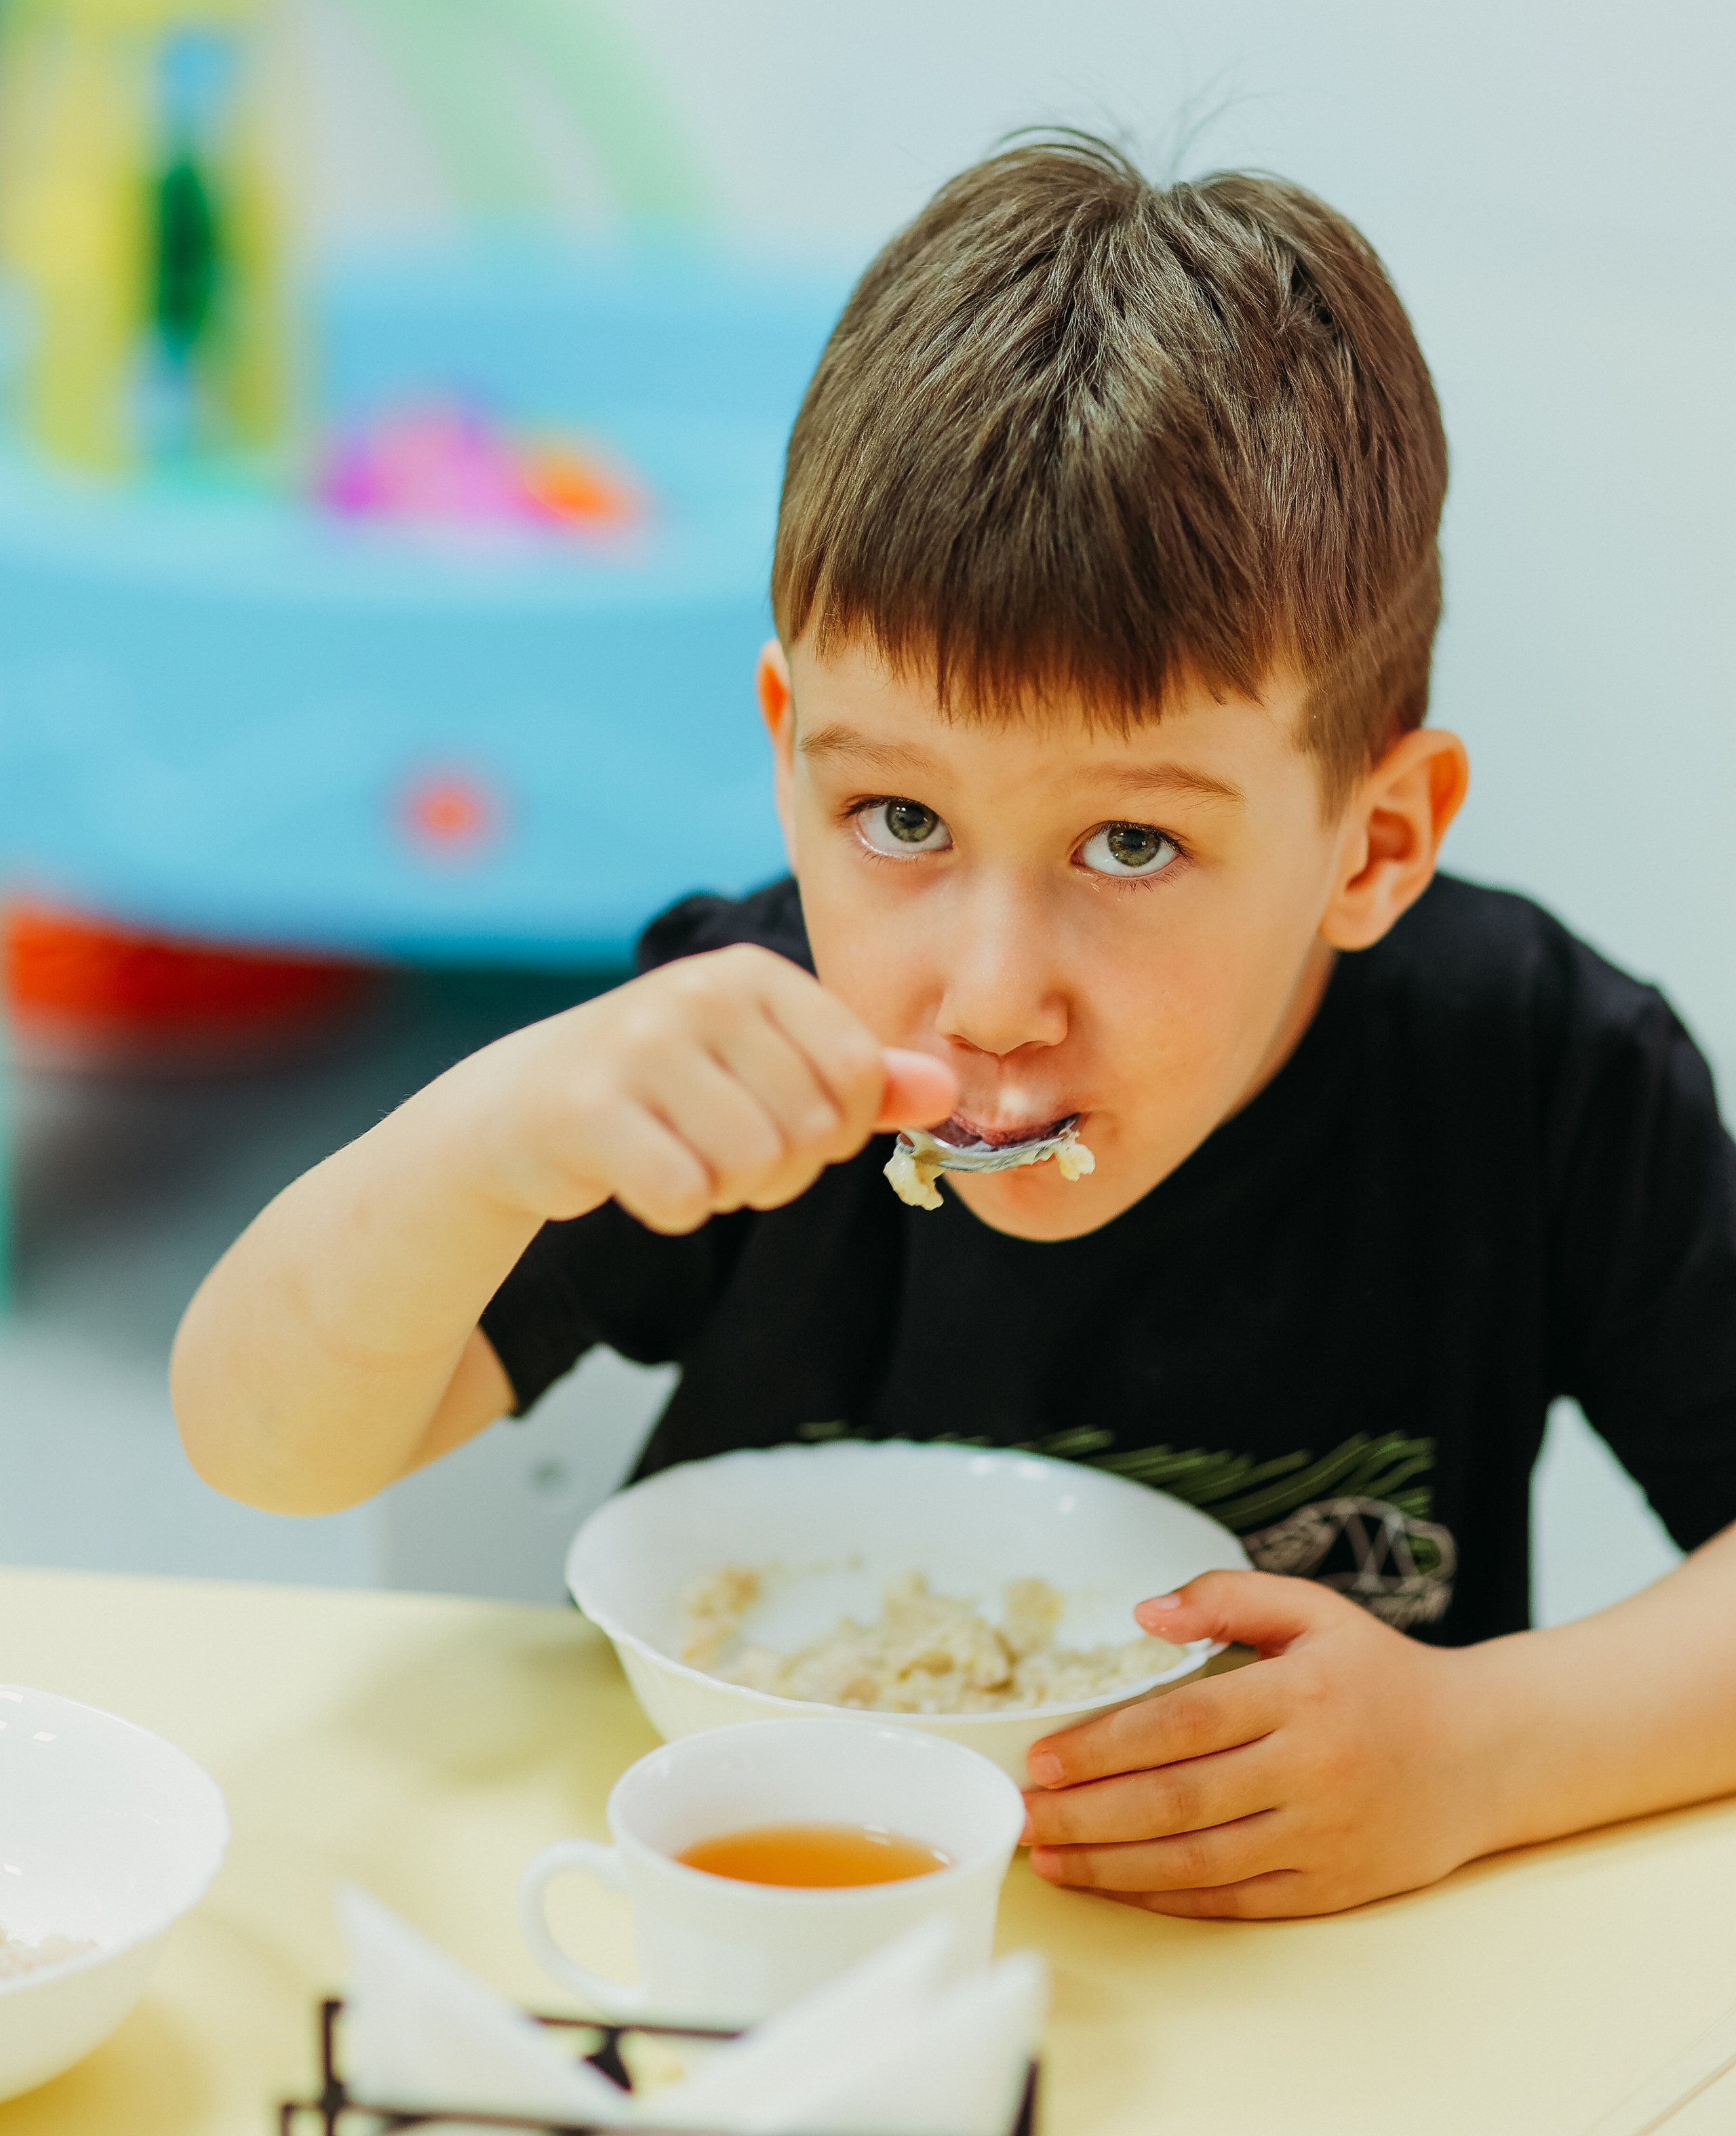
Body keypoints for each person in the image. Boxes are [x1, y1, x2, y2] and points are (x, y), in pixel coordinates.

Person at [172, 138, 1736, 1919]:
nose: (988, 994)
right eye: (899, 822)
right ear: (790, 748)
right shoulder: (730, 1061)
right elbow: (261, 1447)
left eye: (1133, 843)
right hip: (777, 1952)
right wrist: (479, 1136)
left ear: (1371, 844)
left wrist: (1486, 1752)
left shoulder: (1539, 1077)